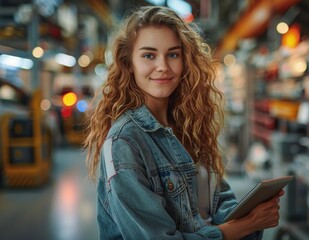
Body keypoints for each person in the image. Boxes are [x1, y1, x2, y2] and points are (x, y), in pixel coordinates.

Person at [84, 5, 284, 240]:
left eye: (173, 54)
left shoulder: (189, 125)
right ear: (129, 63)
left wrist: (251, 212)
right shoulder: (124, 142)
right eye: (149, 55)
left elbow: (218, 198)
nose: (163, 67)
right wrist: (243, 226)